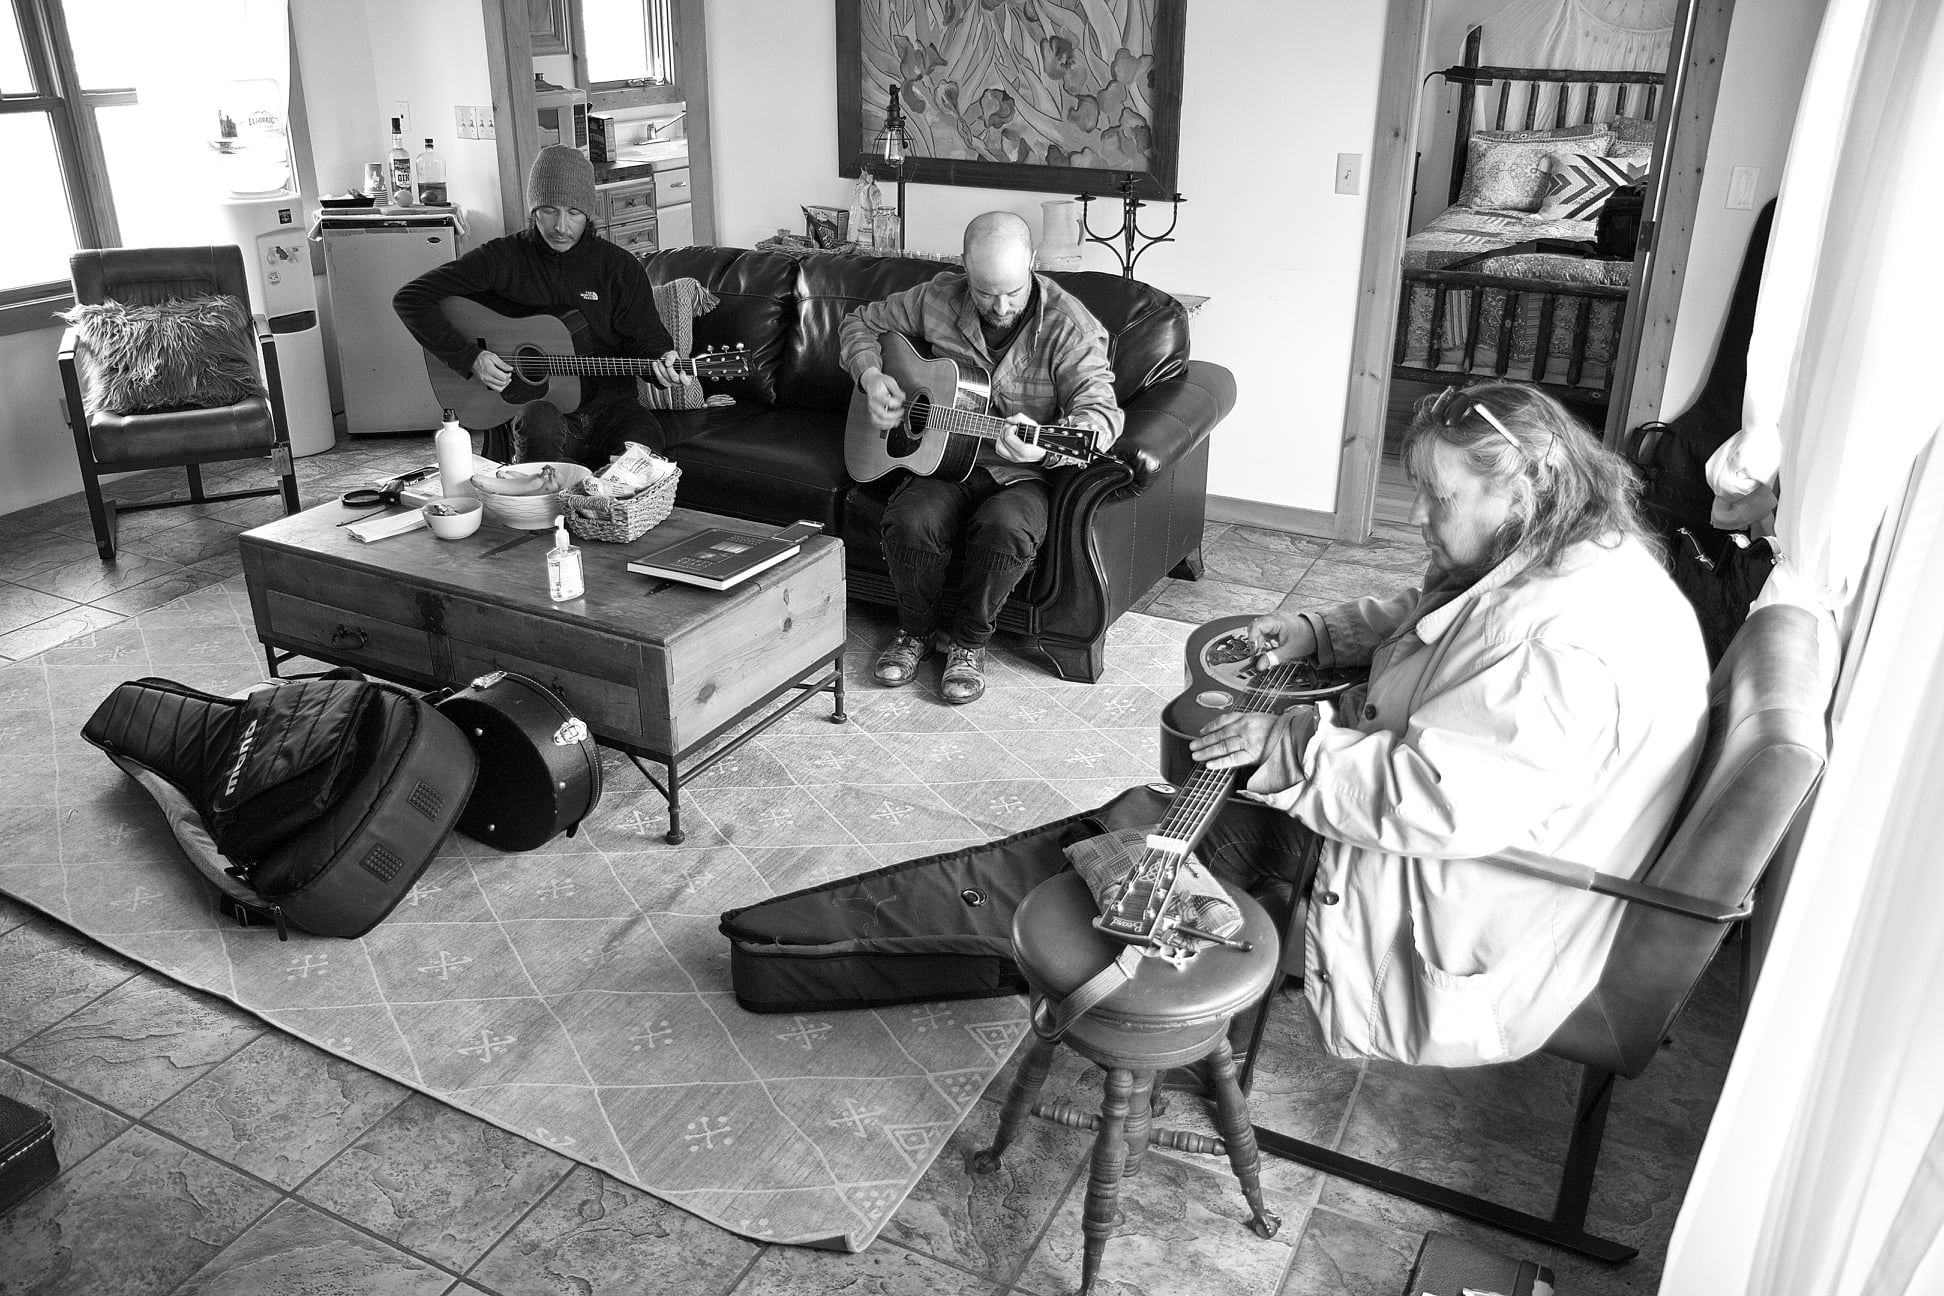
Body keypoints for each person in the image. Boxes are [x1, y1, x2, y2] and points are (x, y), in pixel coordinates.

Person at [1190, 381, 1710, 1068]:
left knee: (1178, 841)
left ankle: (1026, 946)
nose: (1417, 514)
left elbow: (1434, 800)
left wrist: (1290, 750)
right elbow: (1451, 617)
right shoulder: (1581, 552)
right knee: (1199, 809)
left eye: (1441, 495)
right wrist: (1324, 632)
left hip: (1475, 910)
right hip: (1479, 863)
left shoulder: (1558, 652)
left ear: (1521, 489)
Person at [839, 211, 1123, 704]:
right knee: (908, 519)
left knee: (1005, 530)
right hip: (948, 459)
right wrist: (870, 377)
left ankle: (969, 644)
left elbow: (1102, 416)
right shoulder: (936, 297)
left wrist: (1046, 445)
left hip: (1022, 473)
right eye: (986, 291)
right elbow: (860, 322)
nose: (1001, 304)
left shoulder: (1069, 326)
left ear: (1032, 263)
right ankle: (916, 632)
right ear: (964, 266)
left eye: (1012, 290)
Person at [393, 144, 689, 468]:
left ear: (588, 213)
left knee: (645, 450)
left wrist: (663, 361)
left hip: (611, 409)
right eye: (549, 209)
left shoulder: (619, 268)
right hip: (540, 410)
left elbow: (646, 338)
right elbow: (410, 298)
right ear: (534, 208)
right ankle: (539, 510)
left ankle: (603, 511)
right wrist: (470, 357)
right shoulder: (501, 258)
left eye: (574, 212)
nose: (561, 226)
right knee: (539, 420)